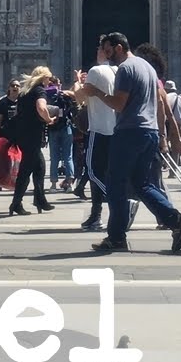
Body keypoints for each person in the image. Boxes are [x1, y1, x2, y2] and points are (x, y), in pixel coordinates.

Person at [82, 31, 181, 255]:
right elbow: (160, 100)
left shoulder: (126, 68)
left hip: (130, 132)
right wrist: (165, 134)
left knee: (116, 185)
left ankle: (117, 238)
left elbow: (119, 104)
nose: (108, 56)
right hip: (149, 132)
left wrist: (96, 92)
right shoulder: (147, 67)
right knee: (142, 184)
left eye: (109, 51)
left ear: (119, 47)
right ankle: (175, 220)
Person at [78, 43, 118, 232]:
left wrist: (77, 83)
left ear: (104, 51)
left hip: (98, 129)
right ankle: (96, 215)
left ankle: (121, 200)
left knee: (93, 172)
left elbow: (80, 97)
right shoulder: (119, 71)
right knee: (105, 173)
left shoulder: (95, 71)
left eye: (98, 49)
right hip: (116, 130)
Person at [9, 67, 56, 216]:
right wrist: (49, 119)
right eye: (48, 78)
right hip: (32, 135)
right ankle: (16, 203)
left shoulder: (25, 92)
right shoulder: (39, 90)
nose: (49, 81)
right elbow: (41, 107)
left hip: (22, 134)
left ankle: (39, 199)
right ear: (43, 78)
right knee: (26, 169)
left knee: (39, 166)